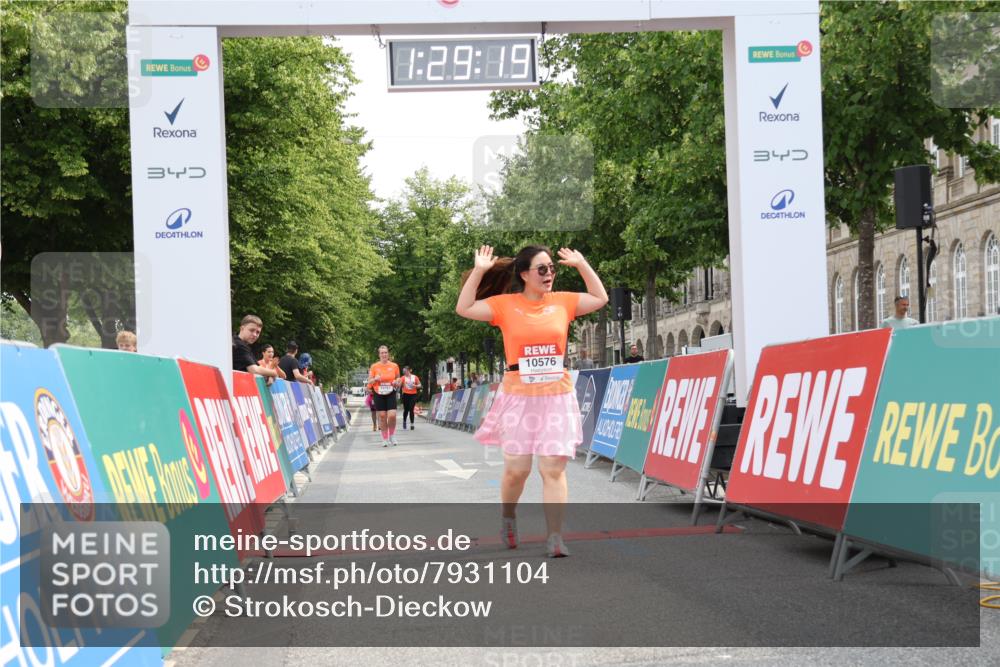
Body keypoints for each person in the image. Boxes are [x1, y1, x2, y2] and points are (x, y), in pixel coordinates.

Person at [455, 244, 608, 557]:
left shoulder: (563, 302)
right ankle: (508, 518)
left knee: (553, 468)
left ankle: (554, 537)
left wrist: (582, 264)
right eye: (542, 269)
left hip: (556, 394)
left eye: (552, 268)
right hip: (518, 396)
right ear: (524, 274)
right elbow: (464, 308)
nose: (549, 274)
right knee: (517, 470)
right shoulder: (505, 305)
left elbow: (600, 298)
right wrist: (481, 270)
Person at [368, 345, 402, 447]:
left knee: (392, 415)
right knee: (382, 416)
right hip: (378, 393)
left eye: (386, 352)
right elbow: (369, 381)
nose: (384, 354)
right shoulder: (374, 366)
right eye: (382, 353)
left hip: (391, 392)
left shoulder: (394, 366)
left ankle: (392, 435)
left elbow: (399, 379)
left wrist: (397, 382)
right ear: (379, 355)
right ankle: (384, 438)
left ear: (388, 354)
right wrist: (375, 379)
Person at [400, 366, 422, 430]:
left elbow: (420, 385)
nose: (405, 372)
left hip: (413, 395)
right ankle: (404, 421)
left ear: (409, 370)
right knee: (406, 409)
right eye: (404, 371)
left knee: (411, 408)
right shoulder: (403, 378)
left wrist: (415, 385)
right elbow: (399, 385)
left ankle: (412, 424)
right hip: (405, 395)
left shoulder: (415, 377)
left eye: (406, 371)